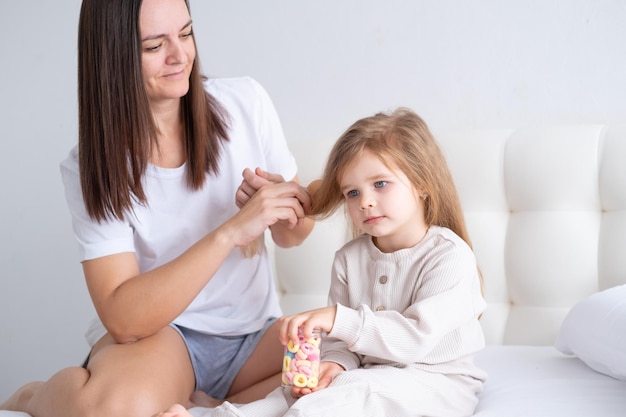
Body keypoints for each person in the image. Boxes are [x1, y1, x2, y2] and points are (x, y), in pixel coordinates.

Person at [0, 0, 314, 416]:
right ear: (113, 57)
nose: (180, 55)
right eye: (154, 46)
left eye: (185, 34)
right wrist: (231, 232)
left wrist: (283, 208)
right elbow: (123, 317)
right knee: (109, 410)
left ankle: (205, 405)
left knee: (346, 367)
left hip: (253, 337)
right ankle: (33, 396)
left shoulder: (245, 102)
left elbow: (295, 235)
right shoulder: (91, 167)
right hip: (163, 337)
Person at [155, 108, 487, 417]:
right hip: (367, 376)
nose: (366, 202)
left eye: (380, 184)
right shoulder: (350, 258)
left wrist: (337, 320)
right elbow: (342, 346)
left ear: (421, 185)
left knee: (343, 397)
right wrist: (335, 365)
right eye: (352, 193)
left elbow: (414, 337)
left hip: (436, 382)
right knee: (290, 393)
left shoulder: (449, 256)